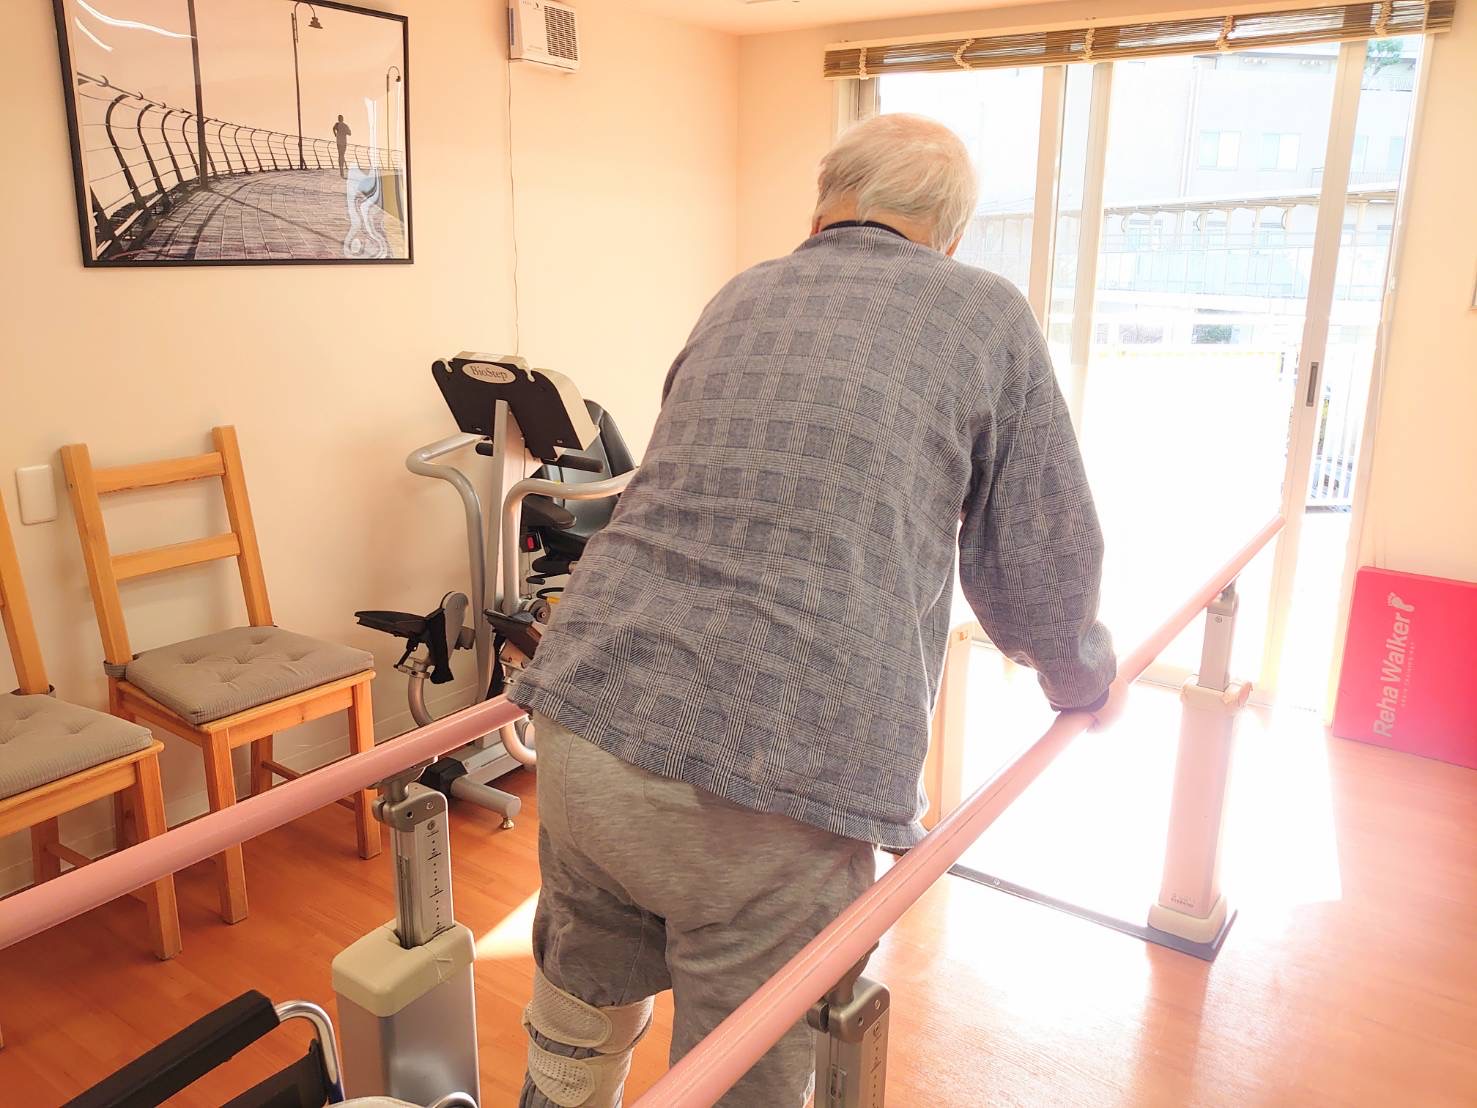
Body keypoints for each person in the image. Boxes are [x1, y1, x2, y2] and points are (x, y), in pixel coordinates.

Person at [510, 112, 1123, 1108]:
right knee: (736, 1076)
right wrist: (1079, 676)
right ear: (949, 236)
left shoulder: (741, 292)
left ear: (821, 210)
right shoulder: (983, 311)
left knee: (577, 1035)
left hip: (584, 713)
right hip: (775, 776)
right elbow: (1039, 557)